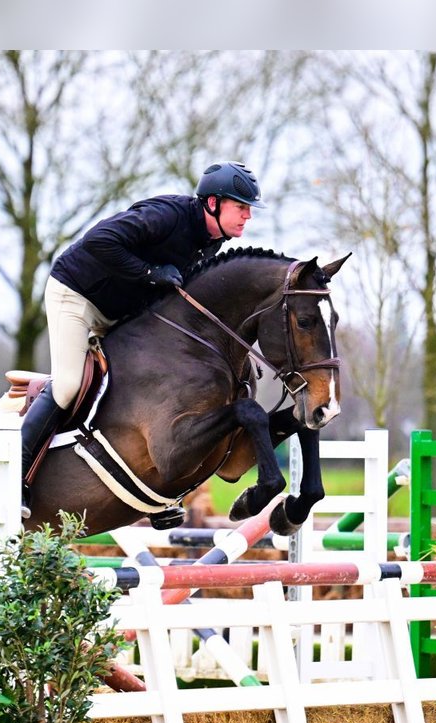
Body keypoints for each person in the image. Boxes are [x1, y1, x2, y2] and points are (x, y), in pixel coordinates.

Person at [20, 161, 267, 518]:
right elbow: (100, 242)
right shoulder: (167, 215)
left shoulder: (213, 242)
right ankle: (13, 477)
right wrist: (150, 273)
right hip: (78, 295)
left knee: (155, 386)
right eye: (241, 207)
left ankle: (155, 491)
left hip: (123, 310)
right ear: (213, 202)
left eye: (249, 209)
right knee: (69, 385)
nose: (247, 216)